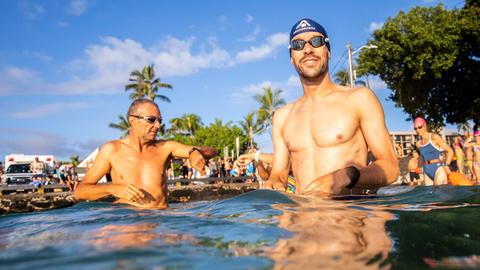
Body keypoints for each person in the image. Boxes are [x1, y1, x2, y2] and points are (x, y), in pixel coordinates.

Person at [262, 18, 399, 195]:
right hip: (303, 217)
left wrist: (345, 176)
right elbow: (279, 175)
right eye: (298, 45)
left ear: (328, 51)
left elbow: (391, 167)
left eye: (316, 42)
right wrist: (273, 182)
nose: (308, 49)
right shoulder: (282, 116)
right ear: (291, 58)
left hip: (349, 215)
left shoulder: (359, 99)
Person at [75, 99, 217, 209]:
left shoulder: (165, 147)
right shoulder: (112, 150)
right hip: (126, 222)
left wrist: (194, 151)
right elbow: (80, 191)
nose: (158, 126)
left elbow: (212, 151)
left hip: (160, 220)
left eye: (159, 121)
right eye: (151, 120)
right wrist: (113, 188)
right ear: (132, 121)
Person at [414, 117, 454, 185]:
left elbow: (450, 151)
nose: (417, 130)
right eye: (415, 128)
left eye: (419, 127)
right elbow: (422, 157)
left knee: (440, 193)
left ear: (425, 126)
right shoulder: (418, 144)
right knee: (430, 195)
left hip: (438, 170)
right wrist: (420, 167)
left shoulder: (434, 137)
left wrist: (446, 165)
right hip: (426, 172)